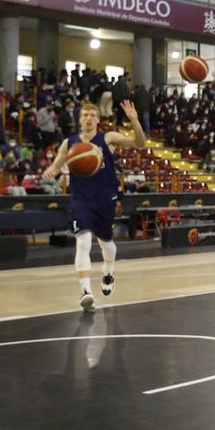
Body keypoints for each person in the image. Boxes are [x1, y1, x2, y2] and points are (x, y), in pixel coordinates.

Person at [42, 100, 146, 310]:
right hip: (81, 198)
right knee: (83, 242)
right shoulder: (69, 143)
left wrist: (134, 120)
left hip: (105, 197)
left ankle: (109, 270)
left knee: (106, 242)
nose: (88, 118)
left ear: (98, 120)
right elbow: (56, 165)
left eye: (92, 115)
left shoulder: (108, 138)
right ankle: (85, 291)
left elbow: (140, 144)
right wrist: (51, 171)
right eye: (84, 115)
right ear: (79, 119)